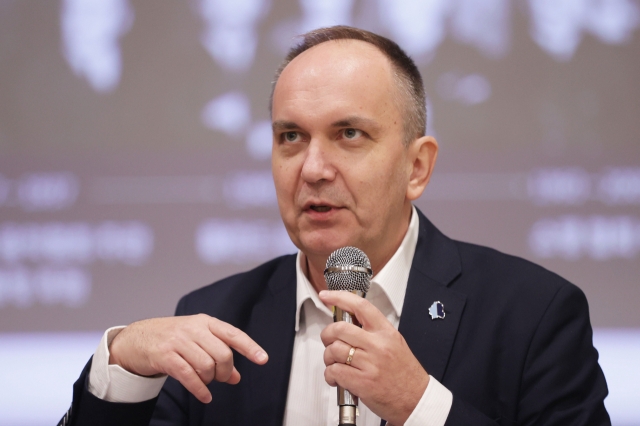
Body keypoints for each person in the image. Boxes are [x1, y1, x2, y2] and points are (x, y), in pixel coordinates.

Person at [60, 26, 610, 426]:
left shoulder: (533, 313)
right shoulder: (218, 316)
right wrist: (122, 362)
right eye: (290, 138)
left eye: (349, 135)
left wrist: (421, 407)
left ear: (416, 167)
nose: (314, 170)